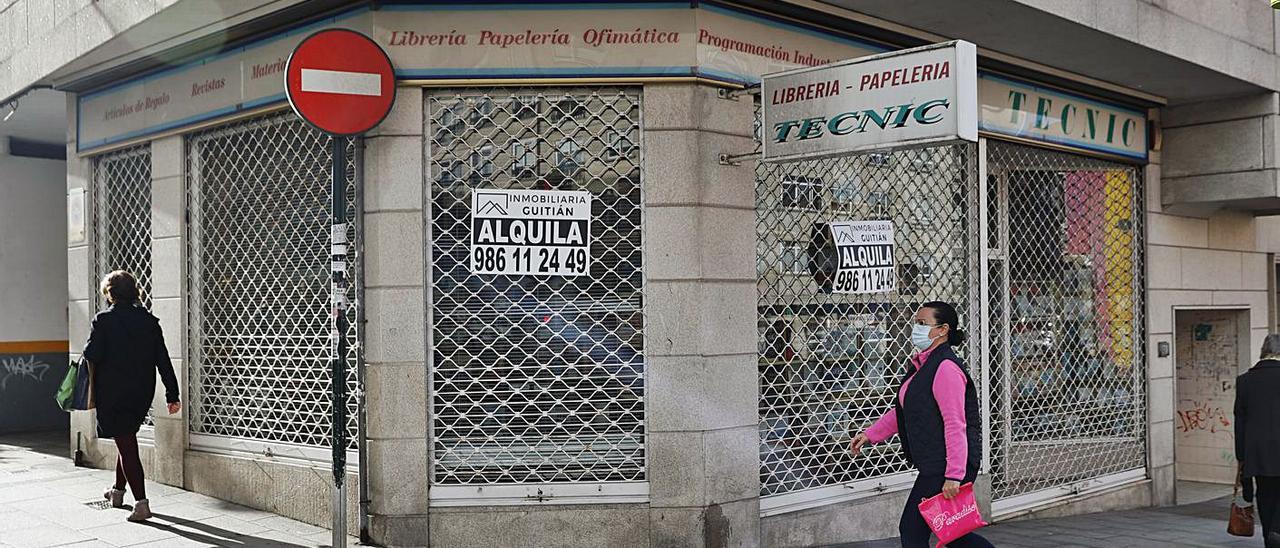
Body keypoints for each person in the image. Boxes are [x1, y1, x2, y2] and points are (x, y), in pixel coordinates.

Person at [850, 301, 992, 548]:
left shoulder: (945, 368)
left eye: (922, 323)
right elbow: (906, 411)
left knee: (912, 530)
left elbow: (955, 424)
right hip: (934, 462)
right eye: (916, 322)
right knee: (952, 531)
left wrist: (954, 476)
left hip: (944, 465)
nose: (915, 328)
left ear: (942, 329)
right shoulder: (923, 365)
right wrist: (870, 435)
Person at [83, 271, 181, 522]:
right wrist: (172, 393)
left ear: (110, 294)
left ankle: (142, 503)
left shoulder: (103, 320)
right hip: (140, 393)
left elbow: (92, 353)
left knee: (126, 444)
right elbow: (163, 359)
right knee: (125, 438)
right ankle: (117, 492)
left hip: (113, 392)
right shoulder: (149, 321)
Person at [1235, 334, 1280, 548]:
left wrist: (1241, 457)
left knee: (1265, 494)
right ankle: (1276, 531)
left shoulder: (1244, 381)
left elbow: (1239, 423)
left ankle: (1269, 537)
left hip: (1258, 454)